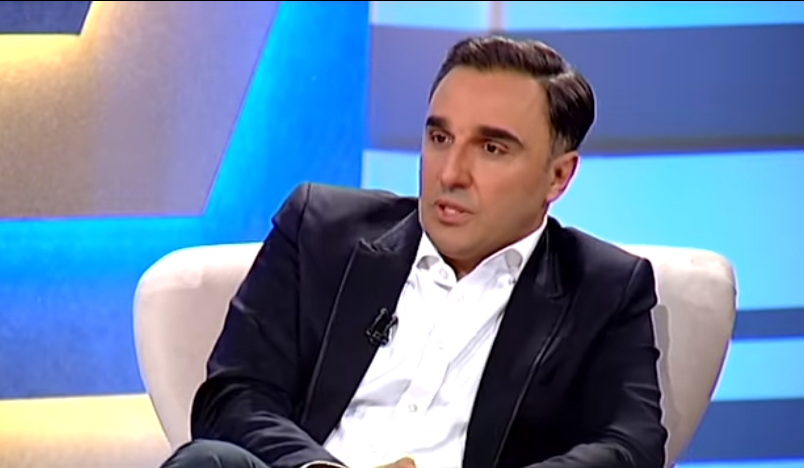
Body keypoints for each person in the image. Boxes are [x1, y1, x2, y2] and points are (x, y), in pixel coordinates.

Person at [160, 35, 667, 468]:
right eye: (440, 137)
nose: (451, 173)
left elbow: (631, 445)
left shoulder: (603, 287)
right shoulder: (319, 231)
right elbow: (234, 394)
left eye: (491, 148)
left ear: (558, 176)